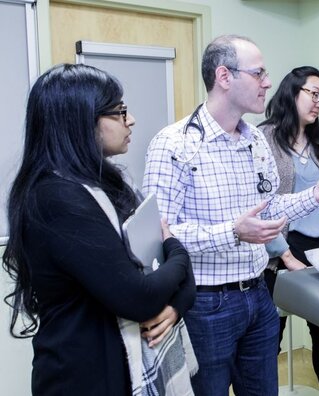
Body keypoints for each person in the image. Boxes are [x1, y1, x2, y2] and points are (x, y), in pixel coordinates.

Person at [142, 35, 319, 396]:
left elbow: (269, 207)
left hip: (258, 296)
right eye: (258, 73)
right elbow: (160, 236)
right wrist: (233, 232)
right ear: (224, 76)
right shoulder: (174, 144)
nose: (269, 83)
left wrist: (313, 197)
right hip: (207, 304)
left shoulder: (254, 142)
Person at [1, 63, 195, 395]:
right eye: (119, 112)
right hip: (83, 376)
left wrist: (176, 302)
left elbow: (156, 270)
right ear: (81, 121)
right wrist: (180, 252)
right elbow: (139, 296)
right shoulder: (57, 197)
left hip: (117, 364)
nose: (130, 120)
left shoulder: (105, 184)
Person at [259, 65, 319, 390]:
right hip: (275, 249)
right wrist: (283, 253)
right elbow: (261, 203)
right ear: (292, 92)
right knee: (270, 332)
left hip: (318, 248)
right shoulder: (263, 137)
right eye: (313, 94)